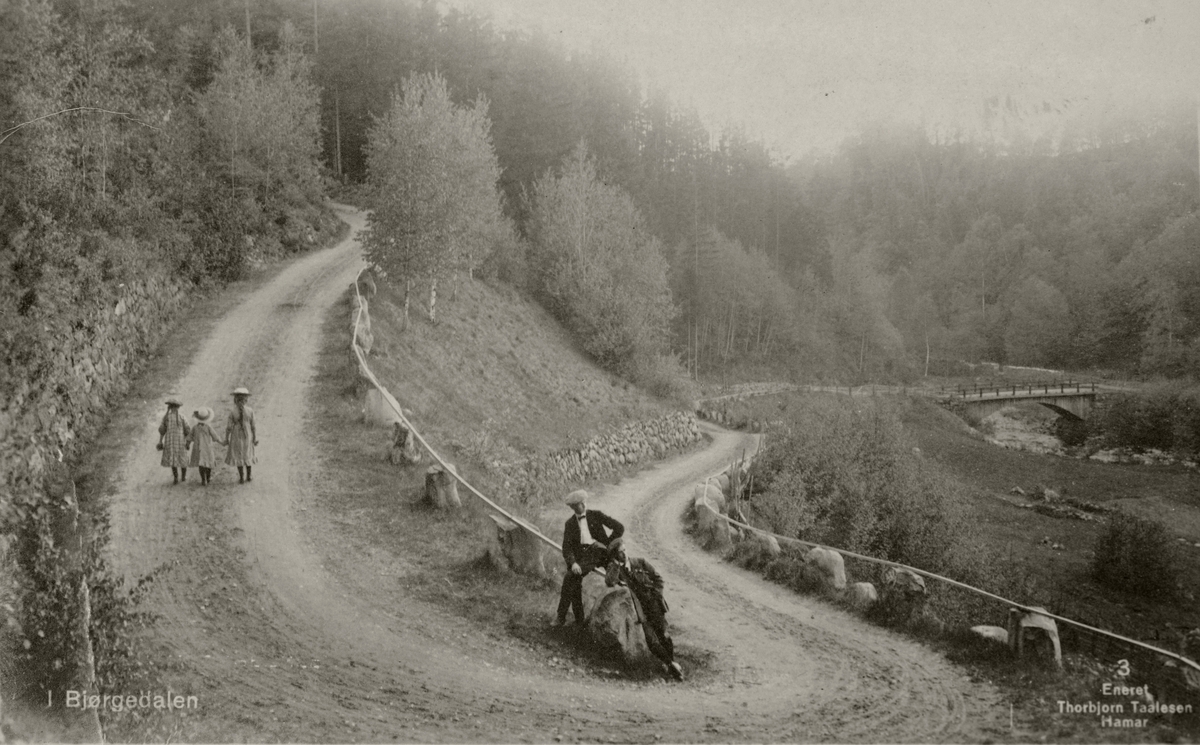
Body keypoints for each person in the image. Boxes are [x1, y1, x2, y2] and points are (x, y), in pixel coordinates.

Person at [605, 542, 683, 681]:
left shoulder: (640, 562)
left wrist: (657, 596)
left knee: (664, 635)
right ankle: (671, 665)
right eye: (620, 552)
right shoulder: (616, 569)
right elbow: (610, 582)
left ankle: (670, 662)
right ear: (616, 555)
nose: (624, 554)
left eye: (625, 550)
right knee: (651, 641)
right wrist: (616, 565)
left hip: (654, 606)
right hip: (639, 610)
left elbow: (658, 579)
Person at [556, 490, 623, 627]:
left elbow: (619, 528)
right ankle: (569, 618)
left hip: (600, 553)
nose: (577, 509)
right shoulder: (570, 524)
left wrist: (607, 545)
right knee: (571, 578)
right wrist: (573, 563)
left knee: (621, 578)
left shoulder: (596, 515)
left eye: (578, 505)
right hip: (584, 557)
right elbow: (566, 547)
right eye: (573, 507)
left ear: (583, 503)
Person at [224, 387, 258, 483]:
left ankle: (245, 476)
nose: (240, 402)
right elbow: (229, 427)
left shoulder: (242, 411)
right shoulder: (244, 411)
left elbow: (253, 425)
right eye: (240, 400)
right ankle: (245, 476)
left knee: (243, 455)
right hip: (241, 435)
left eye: (241, 400)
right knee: (243, 454)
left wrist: (254, 438)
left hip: (242, 435)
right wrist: (227, 438)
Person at [158, 396, 191, 484]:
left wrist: (160, 441)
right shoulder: (182, 417)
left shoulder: (166, 418)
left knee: (173, 460)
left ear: (169, 407)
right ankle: (183, 476)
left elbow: (162, 431)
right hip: (180, 442)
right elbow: (187, 430)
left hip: (170, 442)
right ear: (178, 407)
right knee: (183, 458)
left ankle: (176, 477)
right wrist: (188, 442)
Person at [188, 407, 224, 485]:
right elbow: (215, 436)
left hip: (198, 448)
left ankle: (203, 479)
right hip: (207, 447)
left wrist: (187, 444)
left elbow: (189, 437)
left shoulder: (195, 428)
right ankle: (207, 478)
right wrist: (222, 443)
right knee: (208, 463)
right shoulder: (208, 427)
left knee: (201, 464)